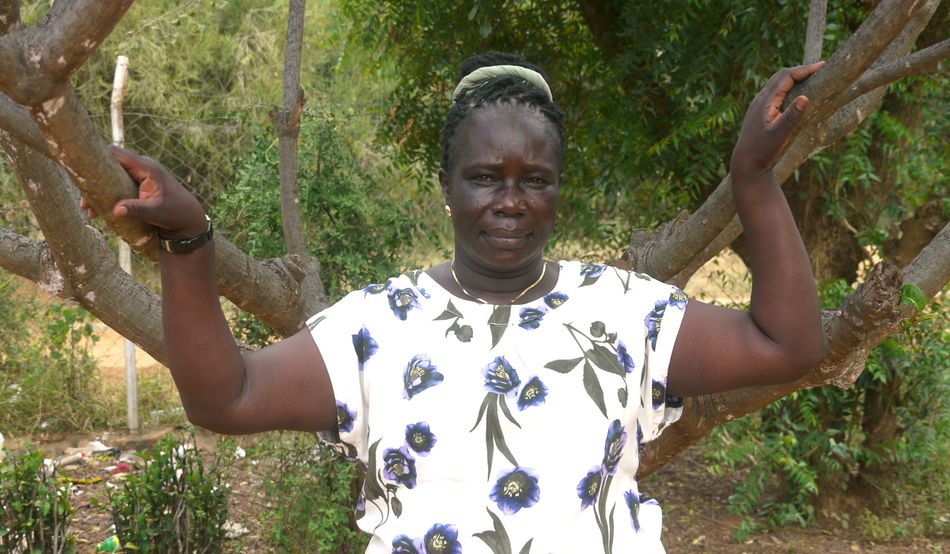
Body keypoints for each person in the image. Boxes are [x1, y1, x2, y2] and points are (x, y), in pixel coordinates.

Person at [88, 52, 825, 553]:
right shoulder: (378, 327)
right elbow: (228, 398)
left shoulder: (623, 312)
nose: (510, 201)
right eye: (484, 177)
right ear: (446, 186)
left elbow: (786, 346)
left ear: (558, 192)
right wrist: (190, 244)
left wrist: (753, 180)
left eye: (534, 179)